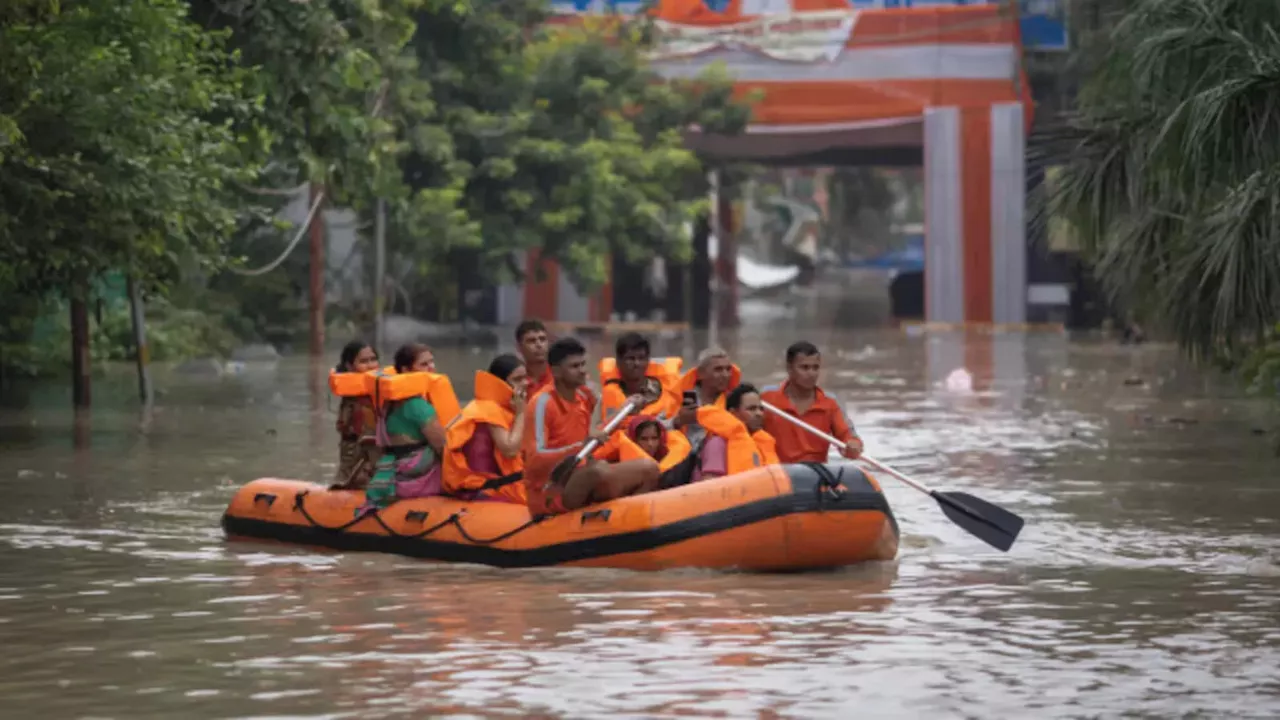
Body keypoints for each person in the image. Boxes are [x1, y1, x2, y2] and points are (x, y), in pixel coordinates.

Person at [522, 337, 661, 516]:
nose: (582, 371)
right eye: (574, 367)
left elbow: (602, 430)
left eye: (583, 364)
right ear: (555, 372)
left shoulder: (584, 396)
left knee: (650, 469)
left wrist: (627, 409)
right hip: (549, 489)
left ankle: (626, 523)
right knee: (598, 470)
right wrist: (579, 446)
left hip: (582, 473)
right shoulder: (541, 403)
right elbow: (535, 459)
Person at [363, 344, 450, 511]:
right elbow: (443, 448)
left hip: (394, 468)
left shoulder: (387, 402)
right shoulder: (417, 406)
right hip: (411, 475)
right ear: (405, 370)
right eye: (424, 364)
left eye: (432, 362)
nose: (431, 368)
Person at [441, 353, 529, 504]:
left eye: (525, 377)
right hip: (484, 489)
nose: (525, 383)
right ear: (501, 382)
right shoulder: (489, 408)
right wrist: (522, 413)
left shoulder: (501, 406)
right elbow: (509, 450)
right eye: (517, 379)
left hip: (498, 484)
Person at [761, 341, 863, 463]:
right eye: (804, 368)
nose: (811, 374)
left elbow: (848, 437)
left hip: (814, 474)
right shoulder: (766, 399)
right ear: (789, 368)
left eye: (815, 368)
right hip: (775, 474)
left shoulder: (830, 403)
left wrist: (853, 445)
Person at [692, 383, 780, 482]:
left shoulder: (759, 444)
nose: (759, 414)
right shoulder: (717, 444)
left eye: (761, 409)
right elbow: (709, 487)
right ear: (733, 413)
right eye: (751, 409)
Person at [598, 332, 682, 424]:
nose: (636, 363)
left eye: (641, 358)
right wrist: (624, 409)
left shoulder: (666, 390)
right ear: (619, 361)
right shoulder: (606, 395)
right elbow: (601, 429)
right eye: (630, 358)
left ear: (648, 360)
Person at [331, 341, 381, 489]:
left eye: (373, 359)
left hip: (377, 452)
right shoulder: (352, 397)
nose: (371, 365)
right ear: (349, 366)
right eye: (364, 361)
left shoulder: (380, 390)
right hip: (356, 455)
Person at [673, 346, 741, 442]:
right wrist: (679, 421)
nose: (726, 375)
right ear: (701, 373)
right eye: (718, 370)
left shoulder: (735, 400)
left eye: (728, 369)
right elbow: (654, 428)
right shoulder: (678, 398)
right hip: (685, 452)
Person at [516, 319, 552, 396]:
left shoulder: (561, 377)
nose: (539, 345)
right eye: (531, 341)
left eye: (542, 339)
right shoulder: (515, 379)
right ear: (519, 347)